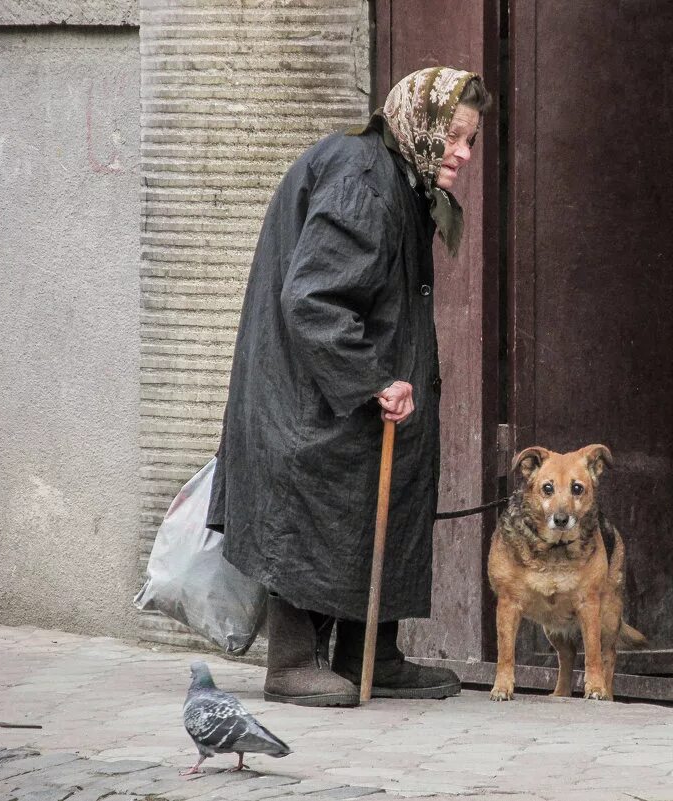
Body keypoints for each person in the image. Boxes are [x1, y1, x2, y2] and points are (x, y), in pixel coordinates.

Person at [207, 67, 491, 707]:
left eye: (471, 141)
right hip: (310, 395)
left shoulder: (398, 178)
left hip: (343, 386)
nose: (464, 155)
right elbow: (313, 299)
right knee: (323, 502)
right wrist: (371, 378)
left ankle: (373, 655)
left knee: (379, 499)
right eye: (455, 137)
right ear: (420, 124)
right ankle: (291, 662)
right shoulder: (364, 182)